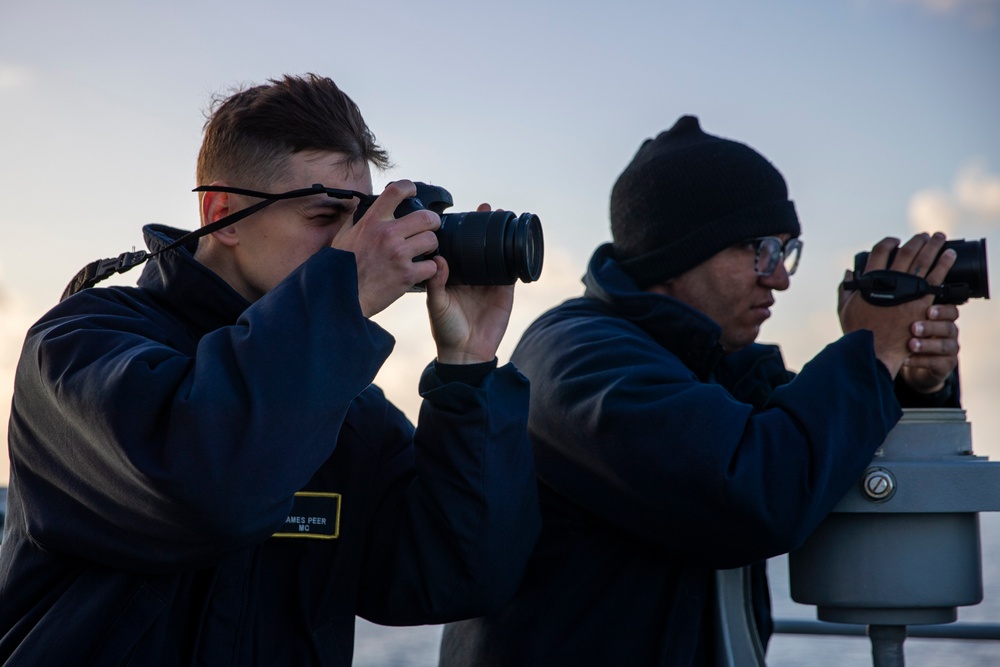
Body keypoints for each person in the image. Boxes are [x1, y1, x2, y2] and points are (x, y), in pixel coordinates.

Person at [0, 73, 541, 666]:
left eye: (360, 220)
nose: (352, 243)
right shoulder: (79, 344)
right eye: (323, 215)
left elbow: (456, 577)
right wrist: (340, 295)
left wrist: (467, 374)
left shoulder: (344, 404)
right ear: (223, 214)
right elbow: (209, 491)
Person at [439, 115, 962, 666]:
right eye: (760, 249)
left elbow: (822, 447)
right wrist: (870, 350)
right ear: (676, 252)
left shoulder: (705, 364)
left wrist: (911, 380)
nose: (780, 277)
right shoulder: (578, 357)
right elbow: (752, 494)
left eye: (786, 251)